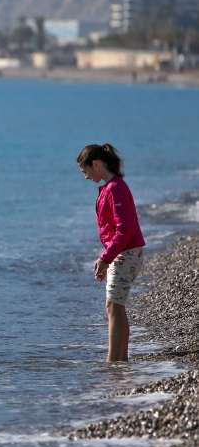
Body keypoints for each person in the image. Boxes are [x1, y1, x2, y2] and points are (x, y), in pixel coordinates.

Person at [77, 144, 145, 362]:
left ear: (96, 164)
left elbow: (124, 229)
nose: (85, 176)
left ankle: (113, 363)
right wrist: (107, 258)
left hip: (125, 253)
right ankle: (121, 361)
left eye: (85, 170)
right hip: (123, 253)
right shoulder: (112, 187)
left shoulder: (116, 188)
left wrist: (106, 259)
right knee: (117, 305)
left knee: (113, 306)